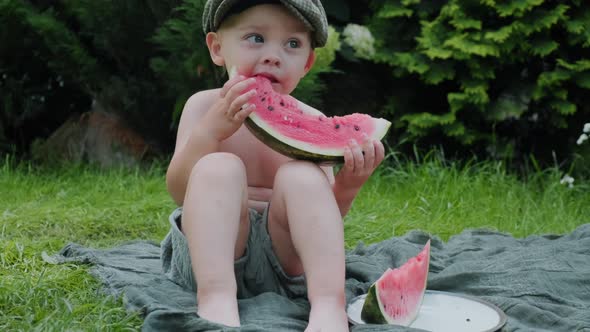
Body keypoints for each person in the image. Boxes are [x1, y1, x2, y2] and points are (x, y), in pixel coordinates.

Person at [161, 0, 385, 330]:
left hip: (286, 264)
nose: (273, 55)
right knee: (218, 167)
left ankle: (327, 305)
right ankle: (216, 301)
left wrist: (348, 185)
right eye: (255, 38)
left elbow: (323, 218)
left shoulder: (312, 120)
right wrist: (209, 132)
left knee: (303, 177)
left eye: (292, 44)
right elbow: (180, 192)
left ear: (307, 62)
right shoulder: (203, 107)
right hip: (209, 257)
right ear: (217, 48)